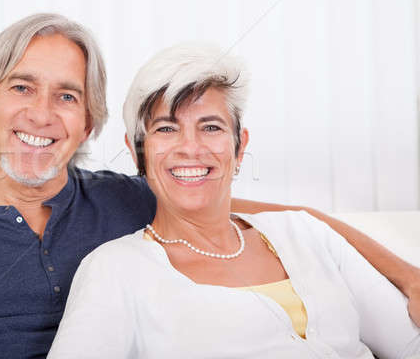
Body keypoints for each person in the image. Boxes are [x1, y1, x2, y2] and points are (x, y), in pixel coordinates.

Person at [0, 14, 420, 359]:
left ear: (88, 121)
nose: (42, 113)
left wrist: (410, 276)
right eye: (21, 87)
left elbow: (288, 218)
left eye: (66, 95)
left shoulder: (127, 199)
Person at [48, 43, 420, 358]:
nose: (190, 148)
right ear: (137, 152)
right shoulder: (112, 270)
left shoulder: (306, 232)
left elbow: (410, 343)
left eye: (211, 127)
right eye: (166, 129)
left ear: (240, 147)